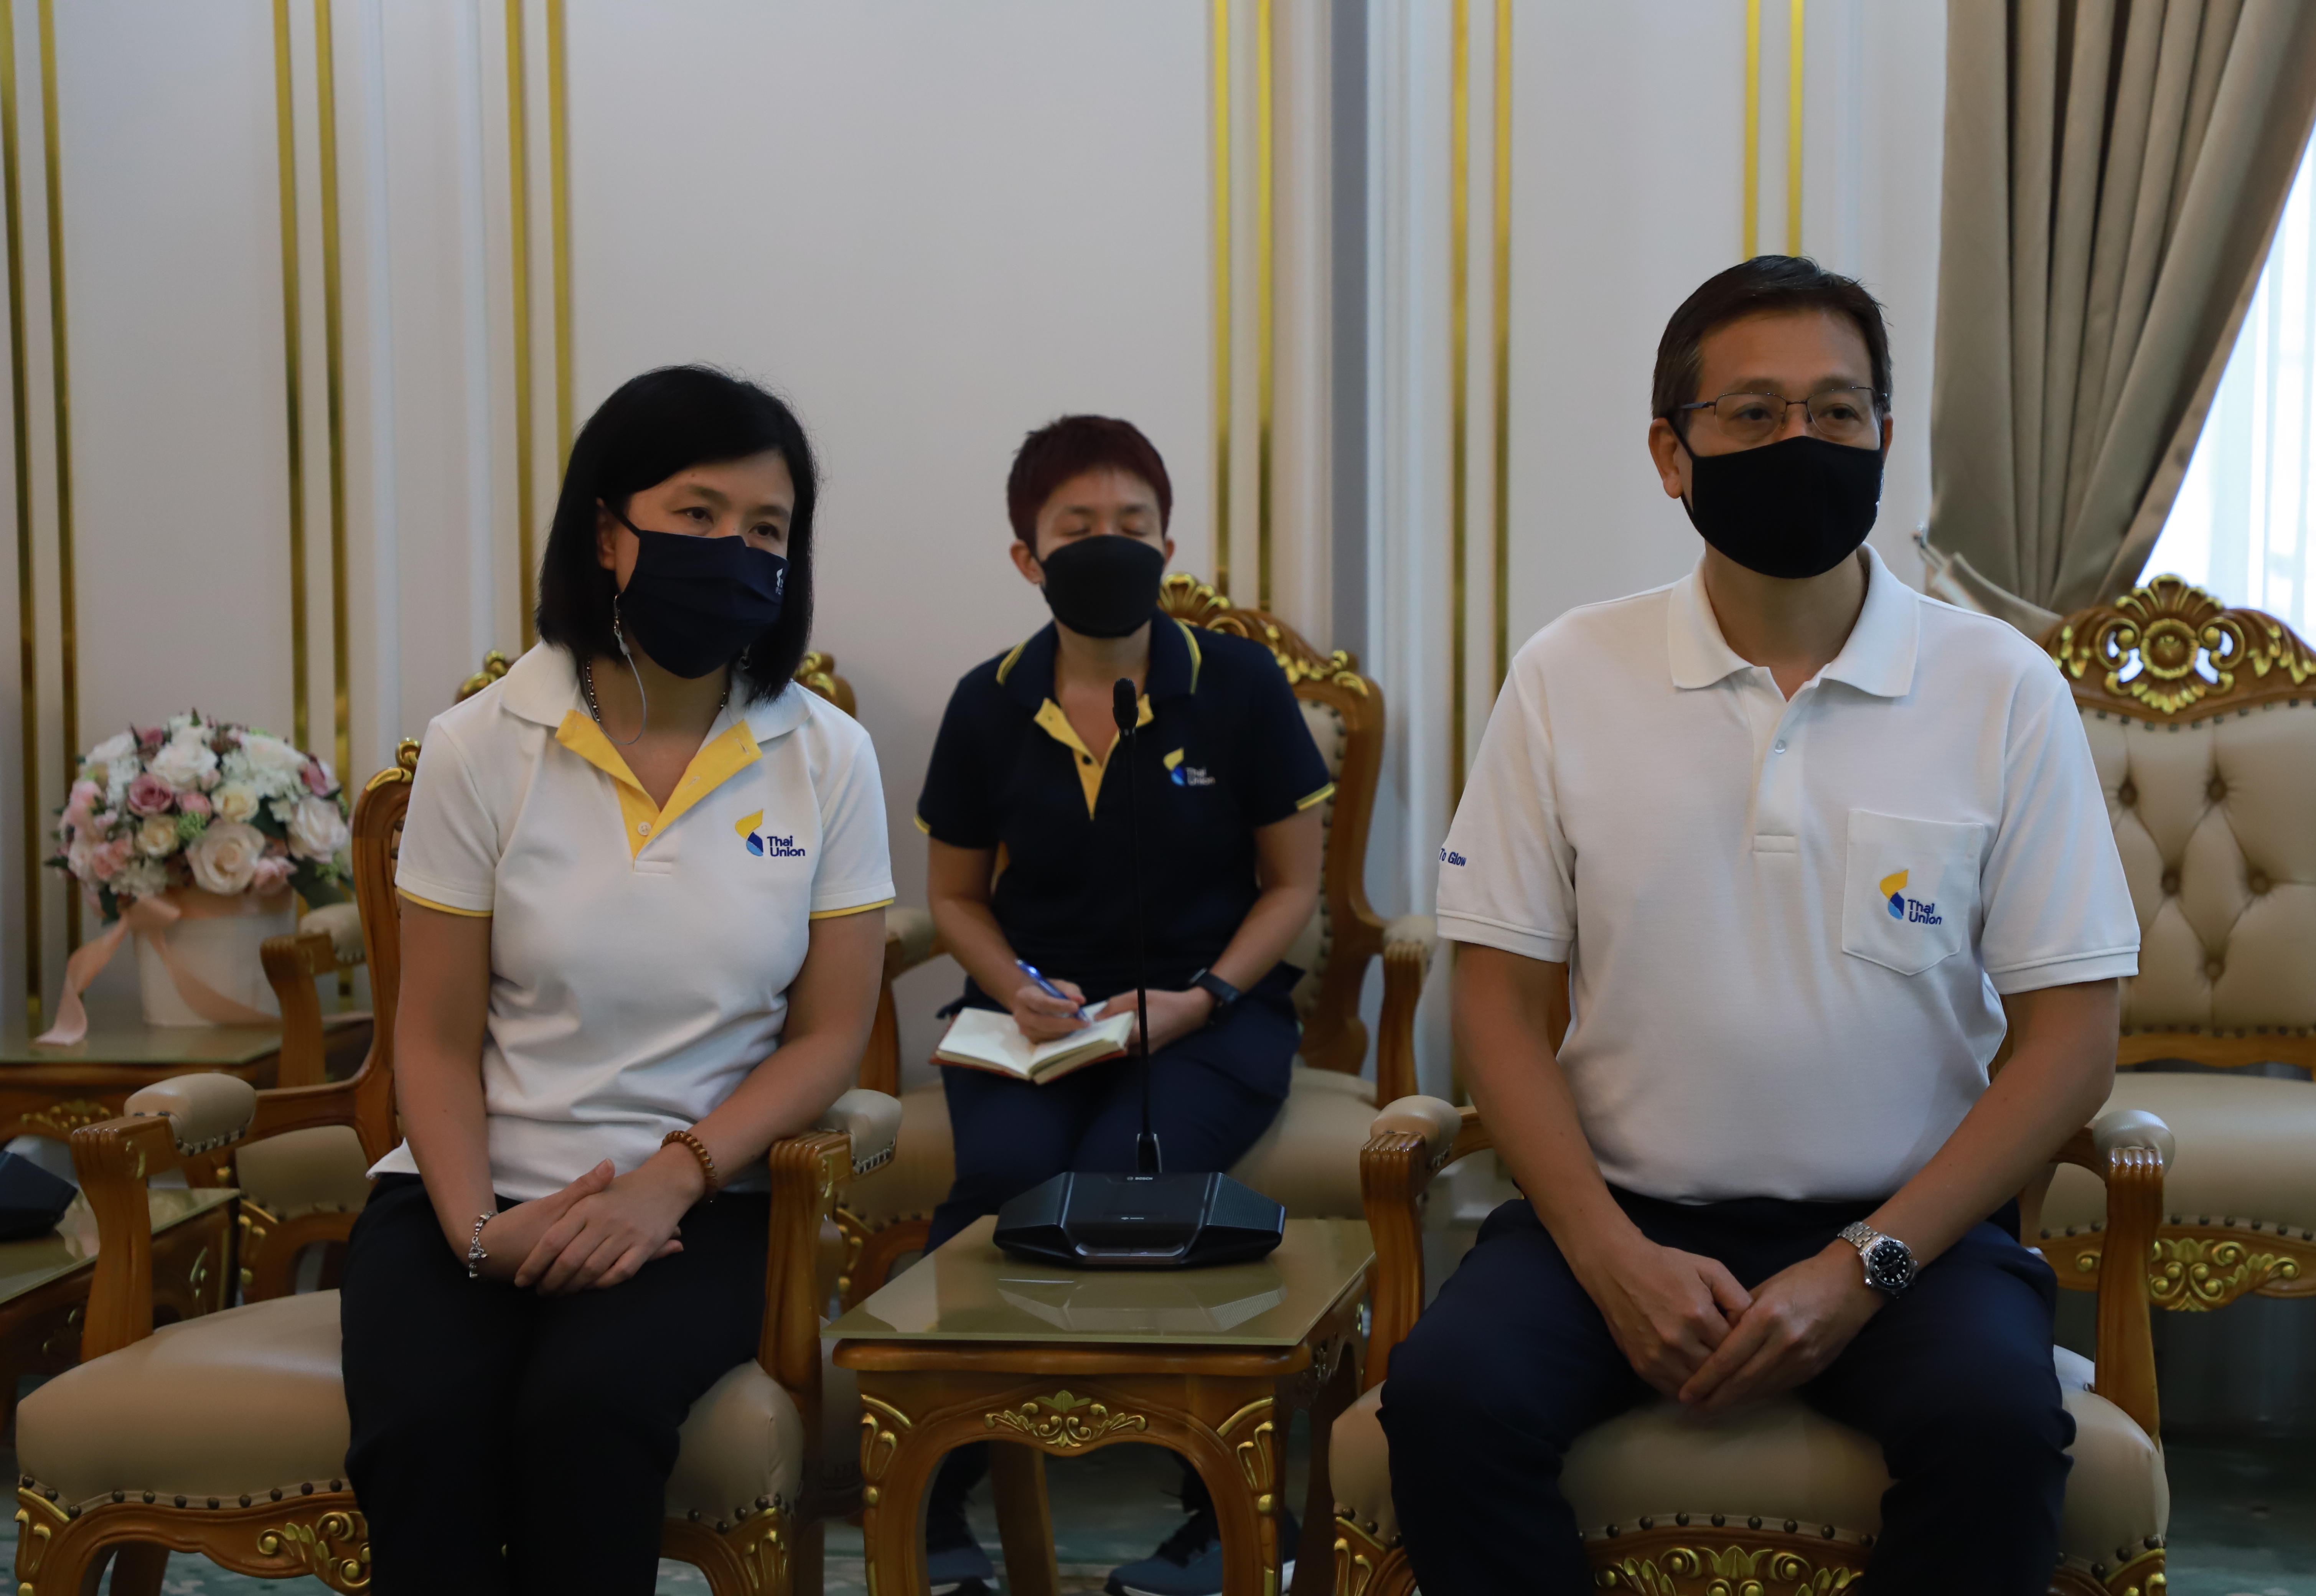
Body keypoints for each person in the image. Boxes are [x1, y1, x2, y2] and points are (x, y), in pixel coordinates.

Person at [1379, 257, 2141, 1595]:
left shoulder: (2001, 688)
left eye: (1838, 412)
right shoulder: (1568, 674)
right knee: (1448, 1402)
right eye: (1753, 414)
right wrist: (1611, 1259)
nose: (1802, 441)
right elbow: (1496, 1006)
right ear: (1671, 454)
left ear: (1885, 438)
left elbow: (2073, 1037)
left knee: (1994, 1430)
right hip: (1617, 1211)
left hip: (1910, 1231)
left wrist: (1864, 1267)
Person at [340, 366, 894, 1595]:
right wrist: (479, 1233)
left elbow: (829, 1036)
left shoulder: (827, 755)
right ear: (606, 532)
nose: (735, 550)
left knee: (584, 1416)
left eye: (767, 530)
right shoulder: (481, 744)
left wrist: (668, 1181)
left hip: (705, 1207)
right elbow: (433, 1038)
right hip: (463, 1195)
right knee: (424, 1431)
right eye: (697, 514)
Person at [912, 415, 1332, 1596]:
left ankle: (1222, 1516)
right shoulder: (987, 701)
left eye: (1132, 525)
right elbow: (954, 896)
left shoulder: (1237, 684)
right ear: (1027, 558)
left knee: (1124, 1187)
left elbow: (1292, 886)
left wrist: (1203, 998)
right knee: (1002, 1185)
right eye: (1078, 527)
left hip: (1211, 1017)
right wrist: (1015, 986)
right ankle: (935, 1490)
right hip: (1034, 1023)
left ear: (1168, 546)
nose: (1110, 545)